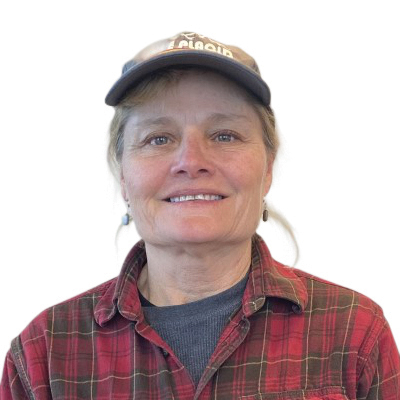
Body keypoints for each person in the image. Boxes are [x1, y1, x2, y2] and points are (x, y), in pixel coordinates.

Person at [1, 31, 399, 399]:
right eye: (158, 138)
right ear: (123, 176)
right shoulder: (44, 354)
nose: (191, 161)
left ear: (268, 169)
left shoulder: (354, 333)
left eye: (225, 135)